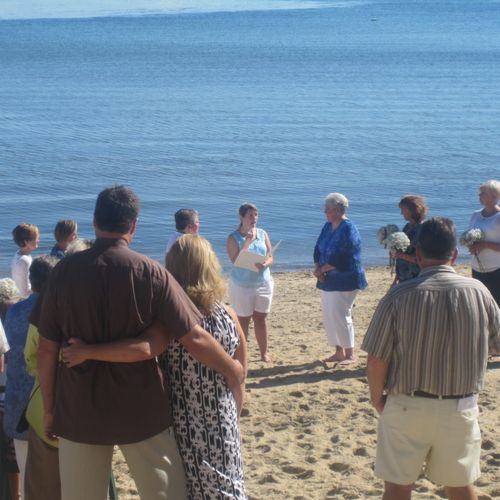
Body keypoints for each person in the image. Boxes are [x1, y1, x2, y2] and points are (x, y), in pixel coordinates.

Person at [37, 186, 244, 500]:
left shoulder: (63, 272)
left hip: (80, 409)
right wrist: (233, 369)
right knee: (165, 493)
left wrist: (50, 409)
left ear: (94, 221)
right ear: (133, 225)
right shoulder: (151, 272)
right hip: (142, 408)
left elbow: (47, 348)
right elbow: (195, 336)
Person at [362, 217, 500, 500]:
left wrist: (378, 399)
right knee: (461, 488)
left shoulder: (399, 295)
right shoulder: (479, 293)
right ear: (454, 254)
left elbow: (376, 359)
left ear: (419, 254)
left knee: (398, 489)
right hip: (460, 405)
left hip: (406, 404)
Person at [3, 256, 59, 500]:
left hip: (16, 407)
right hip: (44, 409)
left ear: (31, 280)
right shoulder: (55, 312)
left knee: (29, 481)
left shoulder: (14, 311)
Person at [313, 193, 367, 365]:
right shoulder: (328, 226)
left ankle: (350, 354)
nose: (325, 212)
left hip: (346, 278)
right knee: (329, 314)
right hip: (327, 278)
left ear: (338, 210)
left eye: (327, 209)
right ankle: (339, 351)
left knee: (341, 314)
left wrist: (323, 269)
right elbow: (318, 247)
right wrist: (318, 268)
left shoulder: (349, 229)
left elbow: (344, 257)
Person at [226, 203, 274, 362]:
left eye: (256, 215)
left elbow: (270, 255)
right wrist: (247, 241)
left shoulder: (263, 233)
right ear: (241, 218)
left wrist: (265, 264)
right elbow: (236, 261)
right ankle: (242, 355)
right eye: (250, 215)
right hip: (242, 284)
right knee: (243, 321)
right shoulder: (233, 238)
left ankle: (264, 353)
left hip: (263, 282)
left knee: (261, 318)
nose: (254, 219)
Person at [468, 179, 500, 306]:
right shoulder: (475, 215)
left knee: (496, 304)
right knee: (479, 304)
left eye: (483, 193)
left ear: (494, 196)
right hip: (477, 266)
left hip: (496, 268)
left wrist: (485, 245)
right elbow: (471, 236)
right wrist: (470, 244)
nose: (479, 196)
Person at [392, 195, 427, 286]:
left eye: (403, 210)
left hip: (416, 278)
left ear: (413, 210)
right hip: (403, 277)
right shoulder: (407, 227)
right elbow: (400, 253)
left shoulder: (425, 229)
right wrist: (396, 279)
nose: (401, 213)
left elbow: (422, 259)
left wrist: (401, 255)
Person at [11, 224, 39, 298]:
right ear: (26, 242)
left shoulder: (19, 253)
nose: (38, 240)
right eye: (35, 238)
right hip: (24, 299)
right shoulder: (23, 261)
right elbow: (25, 292)